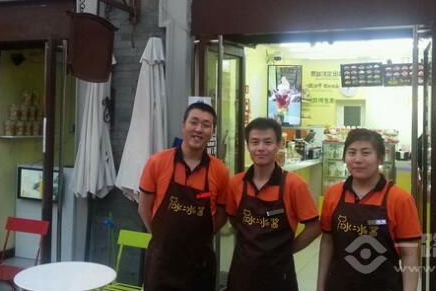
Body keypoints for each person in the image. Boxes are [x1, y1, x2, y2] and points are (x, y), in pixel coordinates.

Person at [138, 102, 230, 291]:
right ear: (183, 125)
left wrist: (200, 238)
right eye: (194, 122)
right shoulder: (157, 162)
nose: (199, 129)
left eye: (206, 125)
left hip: (200, 266)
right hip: (162, 264)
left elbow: (221, 215)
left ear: (212, 132)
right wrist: (162, 237)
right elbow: (143, 208)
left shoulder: (220, 171)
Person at [317, 128, 421, 291]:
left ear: (381, 158)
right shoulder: (333, 194)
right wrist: (320, 286)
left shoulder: (400, 199)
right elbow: (327, 242)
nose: (358, 159)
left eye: (366, 153)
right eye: (352, 152)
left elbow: (410, 255)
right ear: (344, 157)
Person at [227, 118, 321, 291]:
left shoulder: (294, 185)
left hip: (279, 275)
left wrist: (288, 250)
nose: (261, 148)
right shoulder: (235, 184)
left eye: (268, 142)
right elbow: (234, 220)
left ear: (279, 145)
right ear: (247, 146)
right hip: (242, 272)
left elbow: (314, 227)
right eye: (255, 142)